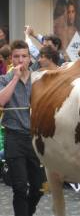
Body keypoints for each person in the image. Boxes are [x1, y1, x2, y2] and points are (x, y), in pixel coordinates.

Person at [0, 40, 44, 216]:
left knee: (39, 187)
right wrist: (16, 77)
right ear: (11, 59)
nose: (20, 60)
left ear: (29, 58)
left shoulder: (38, 78)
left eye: (24, 56)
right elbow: (1, 101)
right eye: (16, 56)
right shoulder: (4, 79)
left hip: (35, 138)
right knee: (19, 187)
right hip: (14, 137)